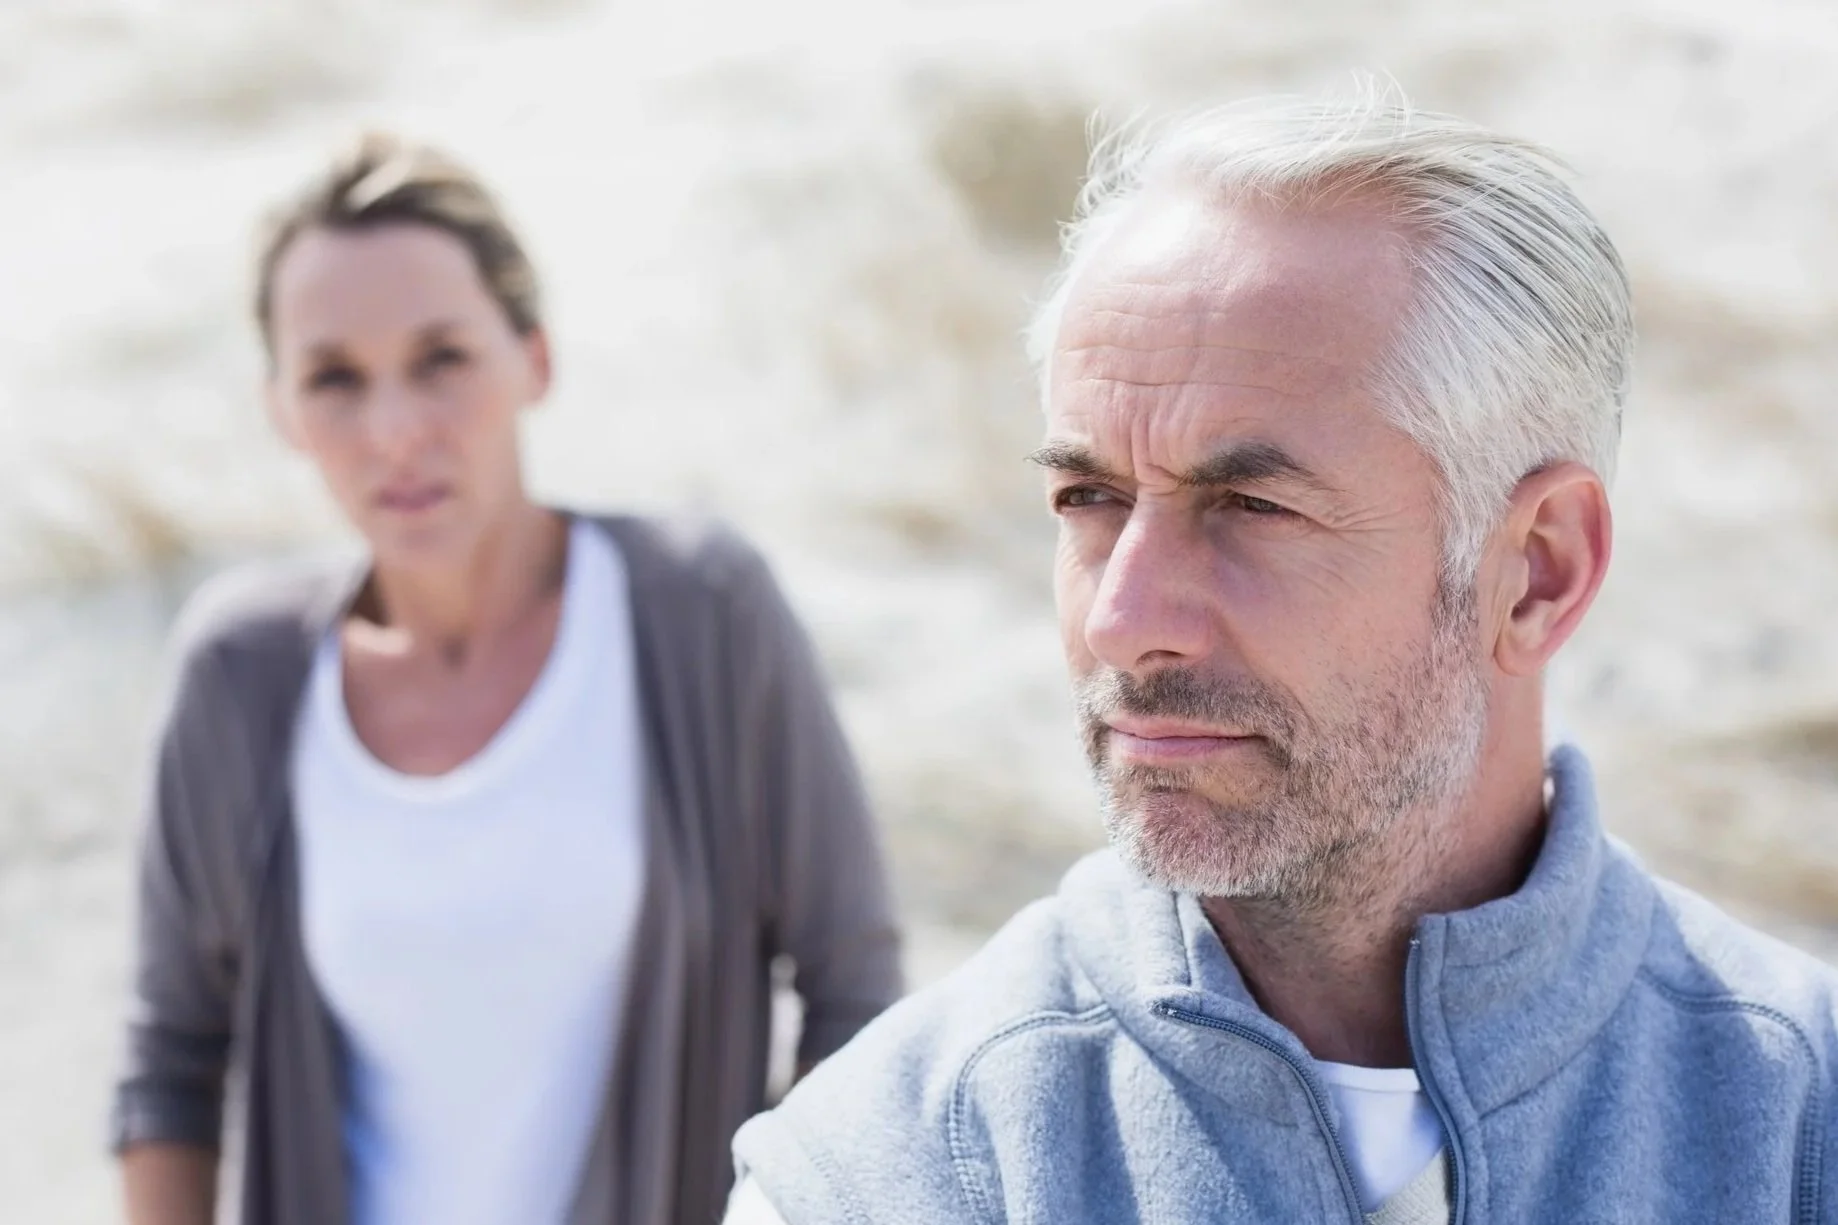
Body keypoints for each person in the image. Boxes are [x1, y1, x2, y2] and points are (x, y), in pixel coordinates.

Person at [723, 92, 1838, 1223]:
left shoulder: (1805, 1122)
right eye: (1088, 498)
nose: (1122, 617)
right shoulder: (882, 1176)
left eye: (1248, 505)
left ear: (1536, 571)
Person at [111, 133, 903, 1225]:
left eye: (441, 358)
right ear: (283, 411)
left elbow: (852, 992)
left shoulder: (701, 614)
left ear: (532, 357)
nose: (395, 430)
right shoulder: (238, 674)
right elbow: (171, 1057)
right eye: (334, 378)